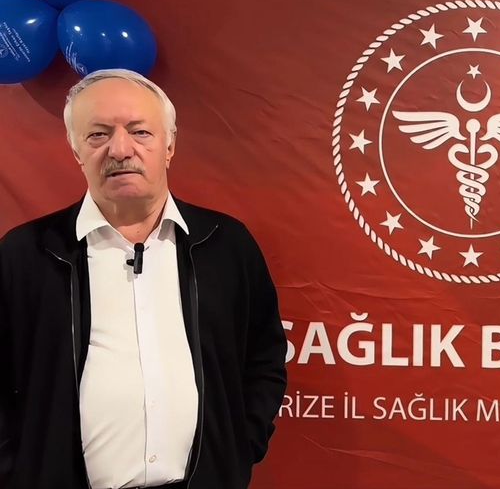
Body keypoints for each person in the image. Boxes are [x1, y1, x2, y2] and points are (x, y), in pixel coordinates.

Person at [0, 69, 287, 489]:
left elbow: (264, 358)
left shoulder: (225, 245)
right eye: (98, 135)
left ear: (169, 145)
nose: (120, 149)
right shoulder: (27, 254)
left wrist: (238, 450)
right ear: (76, 149)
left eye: (140, 132)